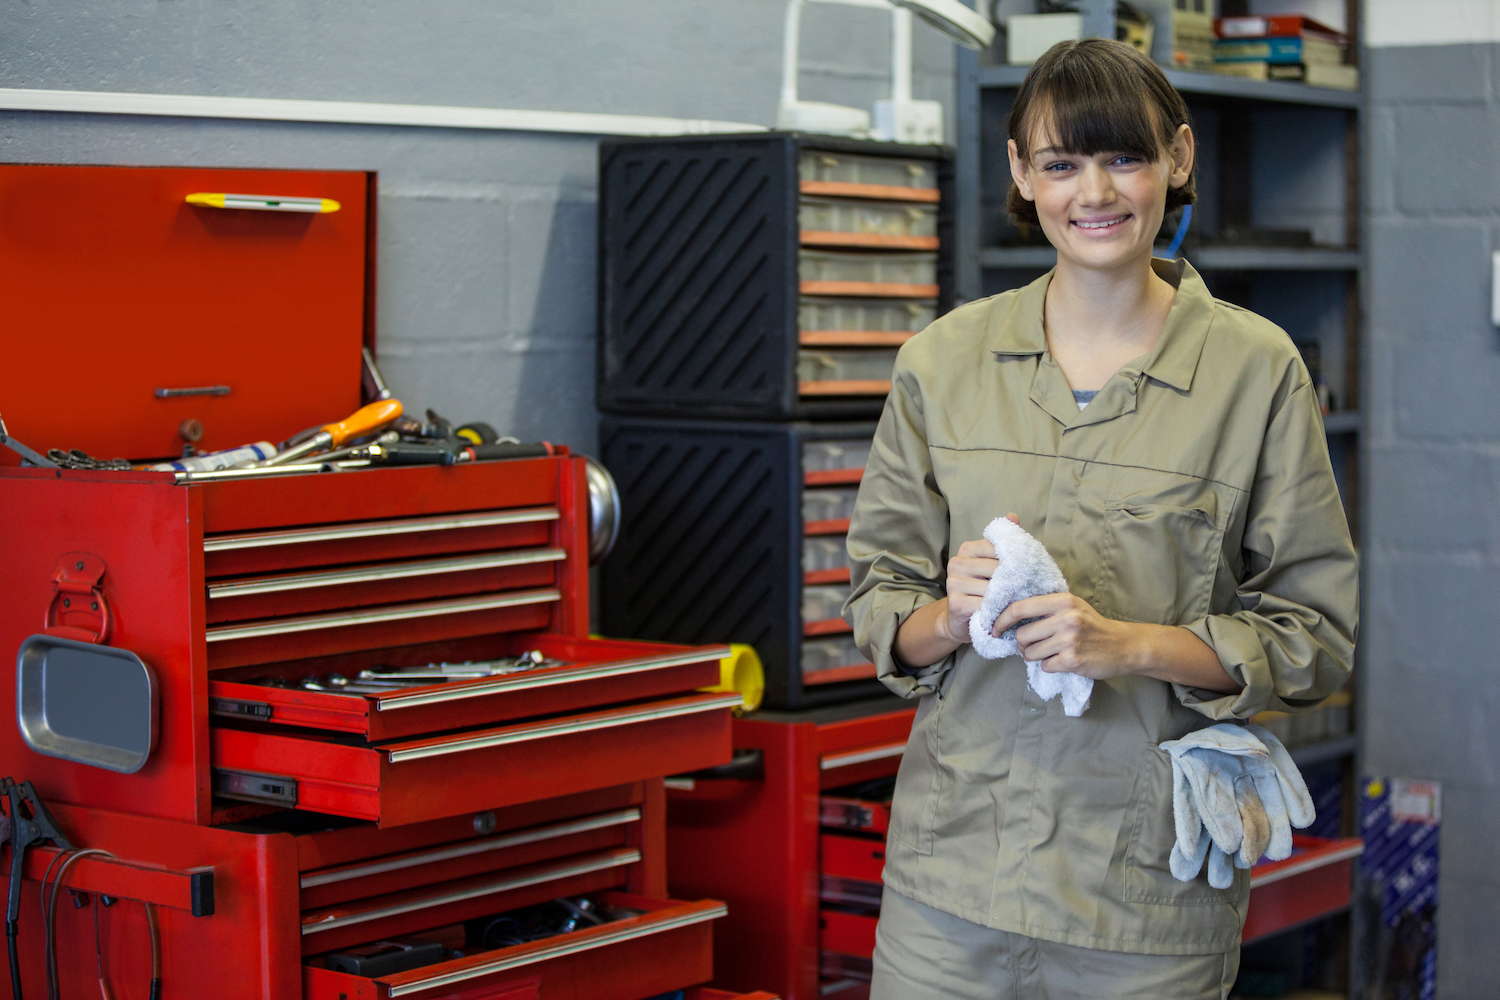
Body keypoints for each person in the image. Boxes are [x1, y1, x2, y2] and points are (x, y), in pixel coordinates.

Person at [844, 37, 1359, 999]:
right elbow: (881, 606)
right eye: (1061, 162)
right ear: (1021, 173)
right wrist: (950, 619)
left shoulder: (1256, 370)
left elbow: (1315, 637)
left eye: (1123, 156)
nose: (1096, 192)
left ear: (1178, 158)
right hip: (952, 889)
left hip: (1147, 901)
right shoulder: (941, 364)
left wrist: (1128, 645)